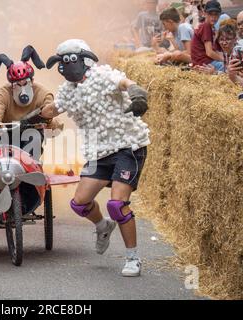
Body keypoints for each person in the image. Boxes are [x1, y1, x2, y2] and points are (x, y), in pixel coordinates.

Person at [46, 39, 150, 277]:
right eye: (63, 62)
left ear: (84, 60)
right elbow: (53, 109)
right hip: (98, 152)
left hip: (127, 146)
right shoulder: (68, 91)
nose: (67, 66)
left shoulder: (103, 76)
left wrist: (136, 92)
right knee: (79, 202)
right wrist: (29, 118)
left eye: (72, 60)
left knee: (117, 204)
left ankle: (133, 258)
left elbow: (124, 82)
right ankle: (103, 226)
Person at [0, 45, 62, 160]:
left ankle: (30, 170)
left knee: (34, 137)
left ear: (32, 80)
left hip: (31, 134)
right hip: (6, 133)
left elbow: (55, 128)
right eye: (17, 84)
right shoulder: (2, 94)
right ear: (11, 85)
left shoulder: (44, 94)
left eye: (26, 82)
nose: (22, 88)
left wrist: (47, 120)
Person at [191, 0, 224, 71]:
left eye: (216, 14)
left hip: (202, 62)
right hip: (204, 63)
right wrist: (224, 60)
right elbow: (209, 52)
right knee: (229, 68)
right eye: (210, 14)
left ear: (219, 15)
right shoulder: (206, 26)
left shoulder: (211, 28)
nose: (213, 17)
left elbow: (215, 51)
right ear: (204, 13)